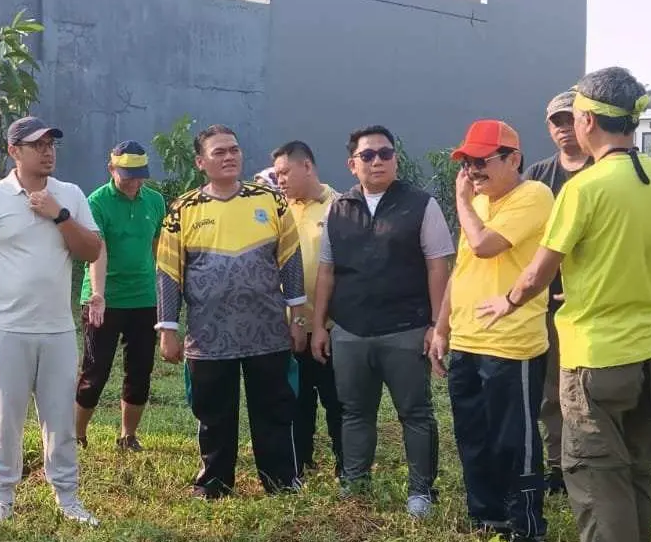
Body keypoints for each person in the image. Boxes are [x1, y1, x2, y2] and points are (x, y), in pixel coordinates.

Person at [477, 68, 651, 542]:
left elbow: (540, 272)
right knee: (637, 468)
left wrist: (508, 301)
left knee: (596, 476)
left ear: (588, 120)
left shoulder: (585, 187)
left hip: (597, 356)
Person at [0, 116, 104, 528]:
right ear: (14, 151)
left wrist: (59, 215)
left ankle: (68, 498)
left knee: (60, 417)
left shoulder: (70, 195)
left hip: (56, 329)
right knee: (5, 417)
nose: (48, 151)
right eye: (37, 145)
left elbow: (91, 251)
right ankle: (2, 497)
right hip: (4, 328)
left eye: (51, 144)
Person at [157, 125, 307, 498]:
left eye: (234, 150)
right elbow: (168, 272)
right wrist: (168, 329)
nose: (229, 157)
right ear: (201, 161)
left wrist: (298, 317)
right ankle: (214, 483)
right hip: (209, 336)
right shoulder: (183, 209)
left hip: (267, 330)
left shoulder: (270, 201)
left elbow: (290, 260)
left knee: (273, 409)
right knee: (213, 414)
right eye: (219, 152)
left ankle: (281, 482)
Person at [311, 126, 454, 514]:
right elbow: (327, 270)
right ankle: (356, 484)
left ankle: (421, 491)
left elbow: (437, 268)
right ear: (352, 164)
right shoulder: (338, 209)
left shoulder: (421, 205)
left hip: (405, 329)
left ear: (395, 159)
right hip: (350, 331)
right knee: (355, 412)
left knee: (416, 413)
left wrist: (437, 326)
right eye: (368, 155)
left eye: (386, 153)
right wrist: (320, 325)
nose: (378, 161)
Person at [430, 120, 554, 542]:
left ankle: (526, 528)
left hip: (509, 342)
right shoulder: (477, 203)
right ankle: (486, 517)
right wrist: (442, 328)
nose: (473, 171)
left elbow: (485, 247)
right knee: (474, 436)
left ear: (513, 158)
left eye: (482, 161)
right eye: (467, 162)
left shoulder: (533, 196)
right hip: (467, 338)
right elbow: (463, 269)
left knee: (514, 441)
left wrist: (462, 201)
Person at [74, 141, 166, 452]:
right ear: (111, 169)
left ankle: (128, 436)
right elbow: (97, 252)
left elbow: (158, 247)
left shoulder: (154, 201)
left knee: (140, 371)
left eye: (140, 175)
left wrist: (163, 287)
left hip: (144, 299)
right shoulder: (96, 202)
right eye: (127, 175)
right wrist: (98, 294)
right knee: (94, 371)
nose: (133, 182)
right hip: (104, 300)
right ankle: (77, 436)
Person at [525, 91, 591, 494]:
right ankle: (555, 464)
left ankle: (585, 462)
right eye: (556, 122)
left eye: (570, 120)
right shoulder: (537, 177)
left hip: (593, 300)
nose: (564, 129)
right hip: (545, 300)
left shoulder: (604, 172)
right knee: (551, 388)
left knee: (585, 388)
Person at [270, 139, 343, 474]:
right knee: (294, 400)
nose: (280, 179)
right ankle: (299, 464)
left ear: (308, 167)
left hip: (331, 326)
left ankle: (348, 470)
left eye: (285, 172)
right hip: (287, 326)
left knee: (337, 401)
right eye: (276, 174)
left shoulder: (340, 207)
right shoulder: (276, 210)